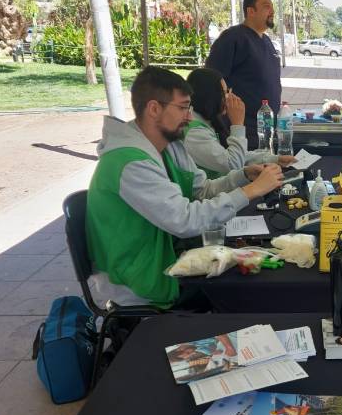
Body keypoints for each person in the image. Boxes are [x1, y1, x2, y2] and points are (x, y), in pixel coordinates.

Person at [85, 66, 283, 309]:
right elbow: (185, 221)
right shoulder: (129, 162)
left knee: (253, 277)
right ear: (154, 109)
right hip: (138, 278)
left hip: (167, 258)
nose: (189, 116)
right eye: (182, 107)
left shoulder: (170, 145)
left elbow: (202, 191)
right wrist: (251, 191)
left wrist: (242, 177)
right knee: (248, 296)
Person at [183, 67, 295, 178]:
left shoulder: (207, 121)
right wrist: (237, 124)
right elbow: (233, 164)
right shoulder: (195, 133)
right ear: (210, 96)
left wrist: (275, 159)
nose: (228, 97)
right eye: (225, 93)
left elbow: (237, 155)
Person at [206, 0, 281, 149]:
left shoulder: (267, 41)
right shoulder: (232, 38)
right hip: (245, 136)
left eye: (272, 7)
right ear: (251, 11)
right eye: (266, 6)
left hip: (268, 133)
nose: (272, 11)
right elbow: (211, 80)